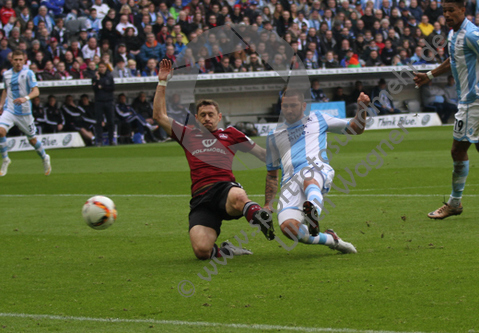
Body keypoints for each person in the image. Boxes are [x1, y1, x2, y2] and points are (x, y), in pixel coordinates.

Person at [152, 59, 275, 260]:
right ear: (196, 118)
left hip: (224, 189)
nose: (207, 118)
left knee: (238, 196)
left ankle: (260, 217)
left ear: (219, 116)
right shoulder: (188, 134)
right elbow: (159, 116)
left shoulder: (232, 134)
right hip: (201, 198)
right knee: (201, 251)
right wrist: (162, 82)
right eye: (202, 115)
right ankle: (227, 250)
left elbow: (263, 155)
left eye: (211, 115)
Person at [263, 89, 371, 254]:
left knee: (309, 178)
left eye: (294, 105)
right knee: (289, 229)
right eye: (285, 106)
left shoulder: (318, 118)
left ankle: (312, 213)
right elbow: (272, 174)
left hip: (316, 168)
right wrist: (267, 203)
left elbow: (355, 128)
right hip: (290, 183)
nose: (289, 110)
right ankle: (331, 239)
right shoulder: (273, 135)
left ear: (304, 106)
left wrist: (362, 108)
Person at [414, 0, 479, 220]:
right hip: (467, 102)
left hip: (474, 102)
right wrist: (430, 75)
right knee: (462, 150)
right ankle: (454, 202)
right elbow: (454, 60)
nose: (447, 14)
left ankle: (454, 203)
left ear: (463, 10)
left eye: (451, 10)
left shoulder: (472, 35)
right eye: (444, 11)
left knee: (458, 150)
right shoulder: (453, 34)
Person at [0, 50, 51, 177]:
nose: (18, 62)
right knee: (0, 131)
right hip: (10, 110)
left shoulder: (28, 73)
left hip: (24, 113)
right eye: (15, 60)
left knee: (32, 140)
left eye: (20, 60)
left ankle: (44, 157)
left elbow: (36, 91)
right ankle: (5, 159)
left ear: (24, 60)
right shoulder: (6, 74)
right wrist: (1, 105)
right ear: (11, 60)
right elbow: (6, 90)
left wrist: (25, 98)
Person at [92, 61, 115, 146]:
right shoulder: (95, 77)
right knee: (98, 122)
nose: (102, 69)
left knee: (111, 122)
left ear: (106, 68)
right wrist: (98, 80)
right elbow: (95, 88)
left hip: (109, 101)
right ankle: (99, 140)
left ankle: (111, 140)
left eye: (103, 67)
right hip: (99, 102)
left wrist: (103, 86)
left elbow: (112, 88)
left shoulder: (109, 76)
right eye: (100, 67)